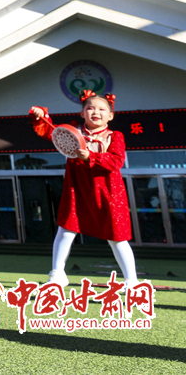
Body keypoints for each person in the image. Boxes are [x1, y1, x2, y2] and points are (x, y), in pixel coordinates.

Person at [30, 91, 137, 289]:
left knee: (117, 236)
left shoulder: (115, 136)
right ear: (82, 113)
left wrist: (90, 157)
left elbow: (116, 161)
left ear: (111, 116)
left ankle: (131, 281)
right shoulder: (73, 132)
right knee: (66, 229)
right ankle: (57, 273)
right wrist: (40, 116)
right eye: (90, 108)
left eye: (102, 109)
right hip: (76, 188)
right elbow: (49, 131)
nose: (96, 112)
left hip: (109, 192)